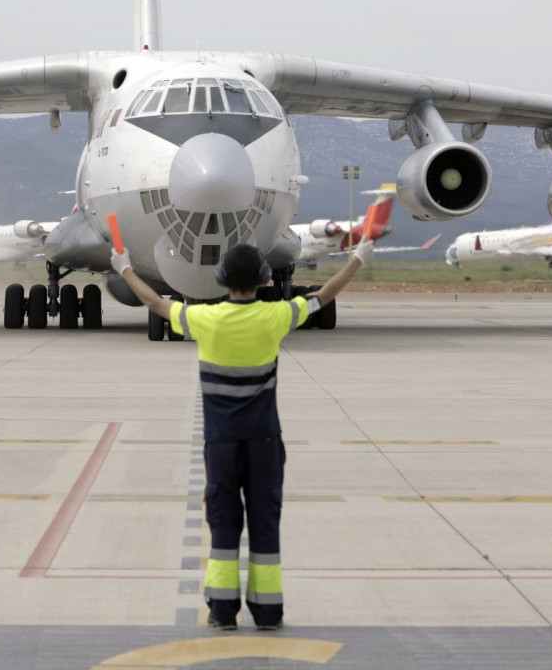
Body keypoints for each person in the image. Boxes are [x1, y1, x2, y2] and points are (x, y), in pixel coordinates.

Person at [111, 237, 376, 630]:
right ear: (264, 279)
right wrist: (356, 260)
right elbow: (322, 297)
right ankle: (268, 613)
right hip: (265, 443)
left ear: (220, 279)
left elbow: (155, 304)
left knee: (223, 527)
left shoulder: (205, 321)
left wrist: (125, 268)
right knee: (265, 525)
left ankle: (222, 612)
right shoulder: (276, 318)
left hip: (220, 445)